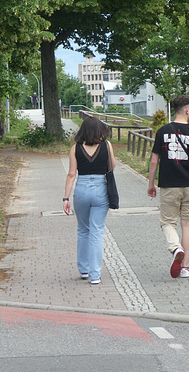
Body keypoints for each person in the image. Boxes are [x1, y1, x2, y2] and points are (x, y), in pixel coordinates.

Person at [148, 95, 189, 279]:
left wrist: (151, 183)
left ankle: (175, 249)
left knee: (167, 222)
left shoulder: (162, 132)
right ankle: (185, 267)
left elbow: (154, 161)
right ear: (187, 110)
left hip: (169, 185)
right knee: (187, 225)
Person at [63, 116, 116, 285]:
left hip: (82, 189)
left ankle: (84, 269)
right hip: (101, 189)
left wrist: (66, 198)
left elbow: (71, 174)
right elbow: (112, 166)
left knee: (83, 229)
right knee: (97, 231)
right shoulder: (107, 146)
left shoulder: (75, 148)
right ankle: (95, 275)